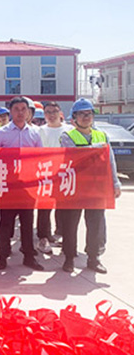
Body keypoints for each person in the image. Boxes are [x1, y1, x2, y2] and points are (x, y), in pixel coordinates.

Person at [58, 98, 121, 273]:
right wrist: (96, 148)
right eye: (82, 114)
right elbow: (75, 157)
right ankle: (69, 258)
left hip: (97, 187)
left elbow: (110, 160)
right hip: (75, 187)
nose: (86, 117)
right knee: (70, 224)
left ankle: (94, 258)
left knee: (96, 224)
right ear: (74, 117)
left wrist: (115, 183)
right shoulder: (67, 136)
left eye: (89, 114)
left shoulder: (102, 136)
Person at [0, 96, 44, 271]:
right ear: (10, 111)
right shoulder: (2, 132)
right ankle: (2, 256)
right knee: (6, 222)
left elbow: (41, 157)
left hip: (28, 185)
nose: (20, 113)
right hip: (9, 184)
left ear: (28, 112)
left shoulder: (35, 133)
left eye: (23, 109)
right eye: (16, 109)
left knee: (27, 222)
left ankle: (29, 256)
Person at [37, 101, 72, 254]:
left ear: (60, 113)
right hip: (46, 174)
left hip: (64, 174)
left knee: (64, 208)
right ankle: (43, 237)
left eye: (54, 111)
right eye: (48, 112)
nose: (51, 115)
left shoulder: (69, 130)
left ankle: (64, 236)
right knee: (44, 209)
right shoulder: (40, 131)